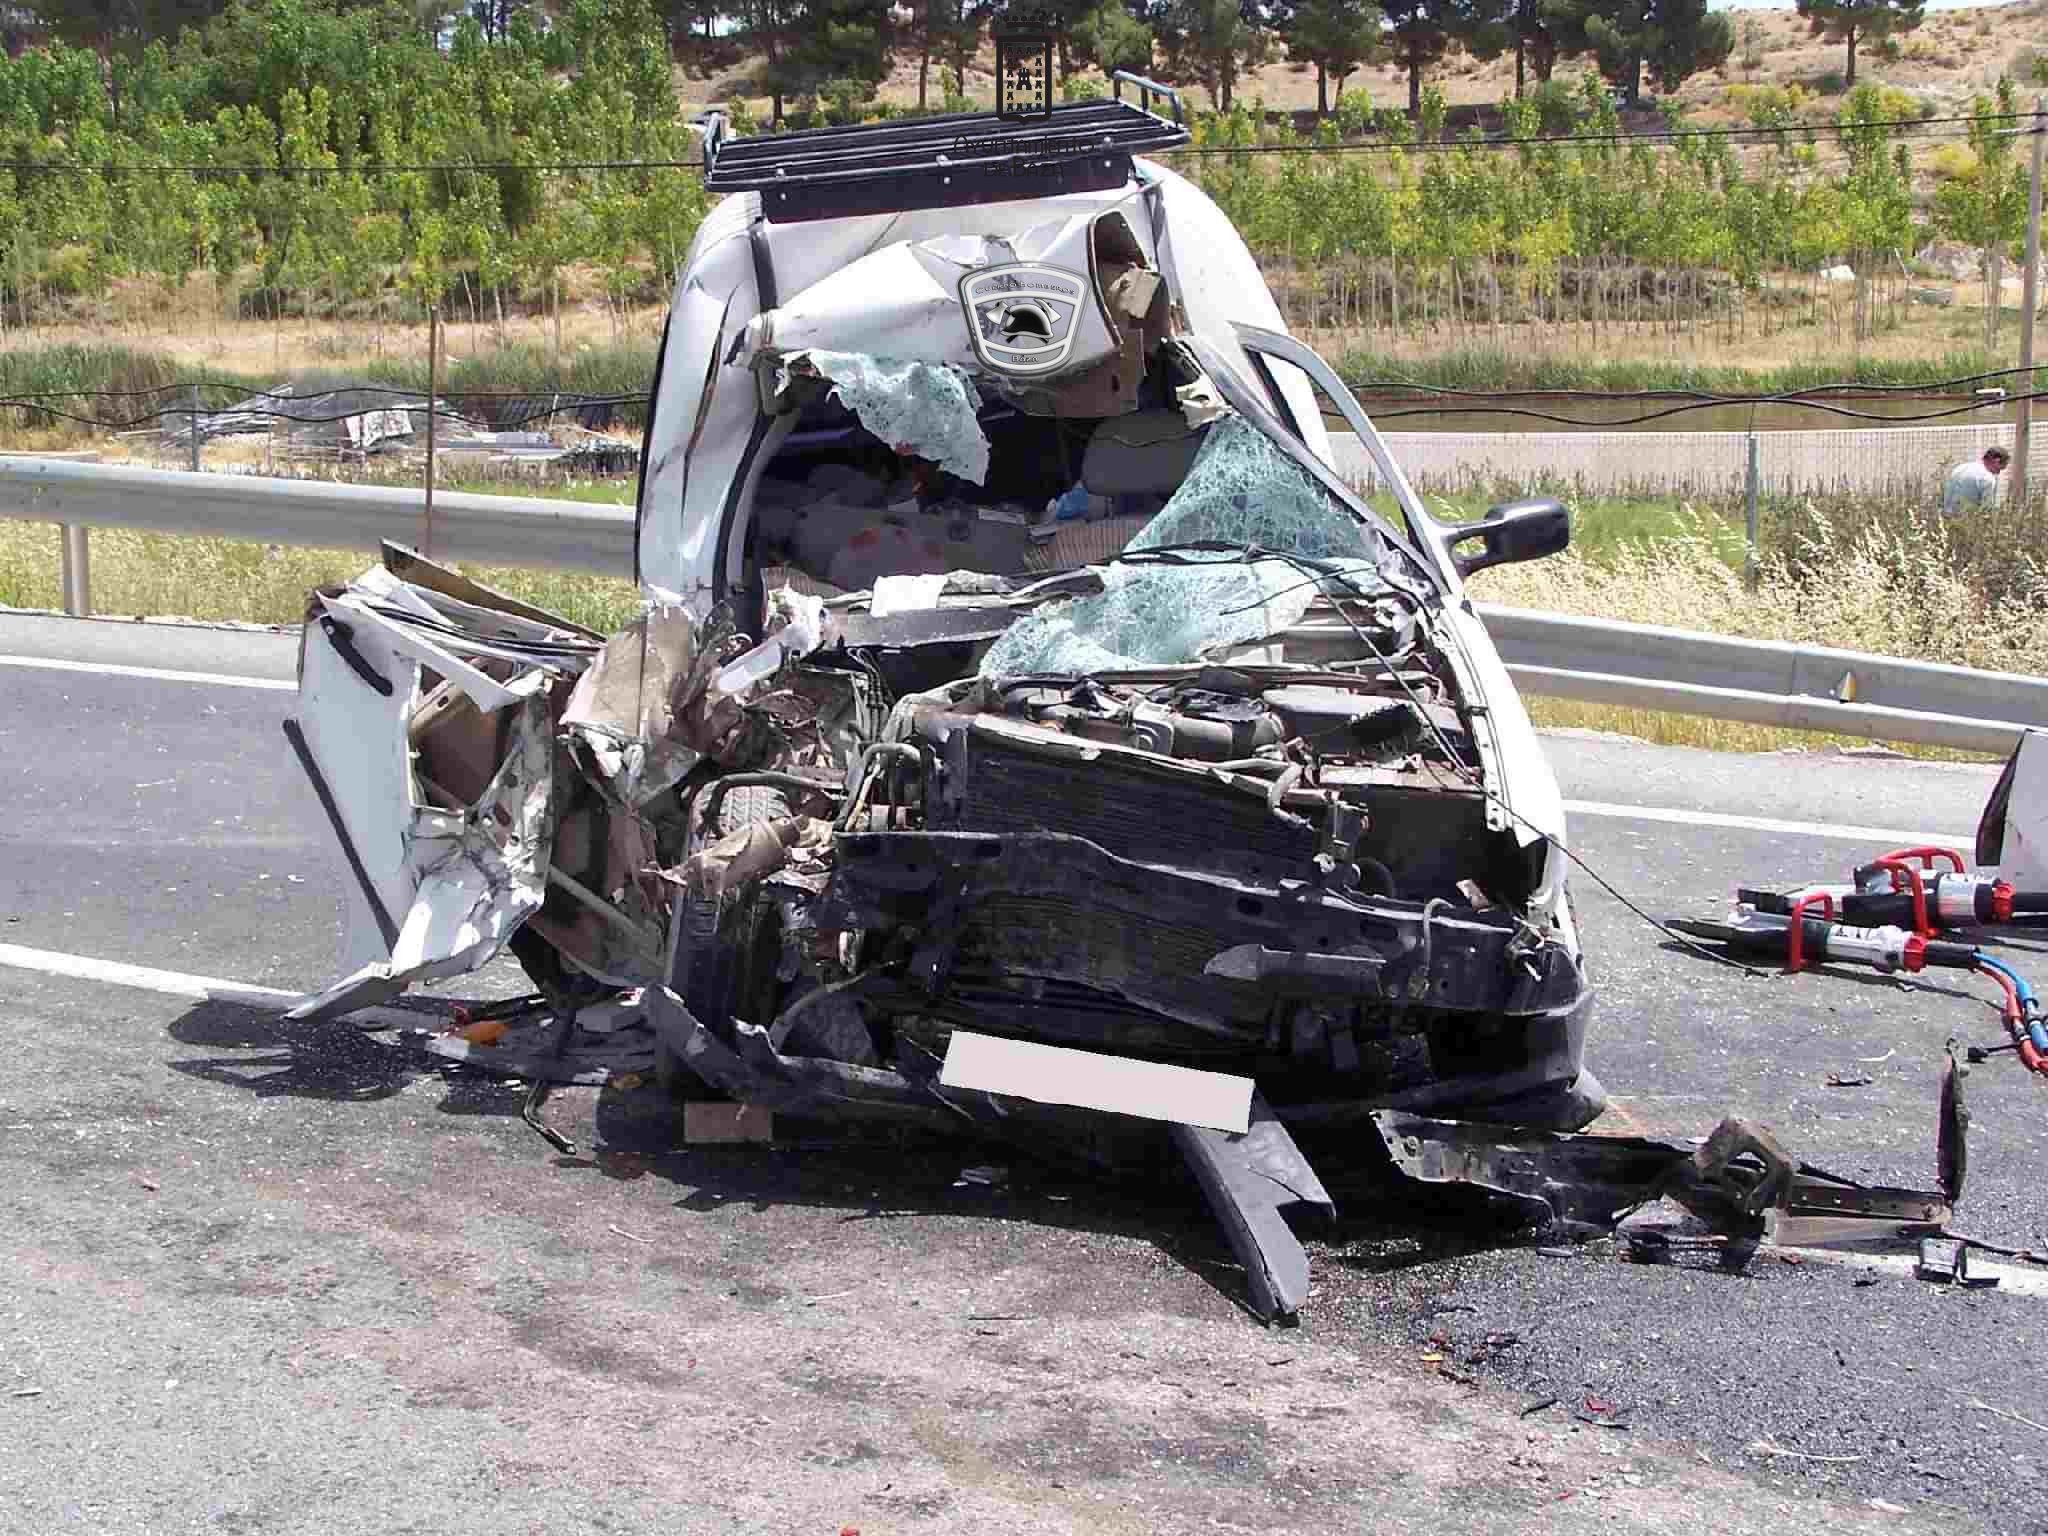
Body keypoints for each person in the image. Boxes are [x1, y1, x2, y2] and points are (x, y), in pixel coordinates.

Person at [1943, 445, 2010, 516]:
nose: (1998, 473)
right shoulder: (1988, 479)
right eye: (2000, 469)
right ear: (1996, 461)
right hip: (1965, 521)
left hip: (1946, 517)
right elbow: (1986, 510)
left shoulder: (1960, 467)